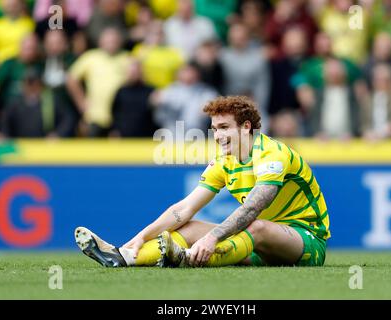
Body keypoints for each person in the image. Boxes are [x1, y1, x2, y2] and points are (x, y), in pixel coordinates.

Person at [75, 96, 330, 268]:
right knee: (189, 227)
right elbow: (183, 209)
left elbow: (254, 207)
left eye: (224, 127)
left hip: (305, 241)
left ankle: (186, 259)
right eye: (215, 129)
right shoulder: (224, 161)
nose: (217, 136)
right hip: (257, 247)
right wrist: (140, 238)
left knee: (257, 226)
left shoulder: (272, 153)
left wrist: (213, 237)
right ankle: (123, 257)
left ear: (246, 127)